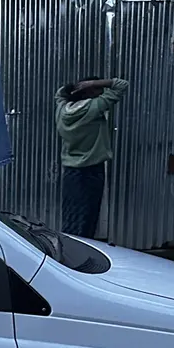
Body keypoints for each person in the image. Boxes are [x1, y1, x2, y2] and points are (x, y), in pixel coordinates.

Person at [54, 77, 129, 239]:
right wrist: (95, 83)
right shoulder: (93, 108)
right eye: (97, 89)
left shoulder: (61, 108)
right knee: (88, 218)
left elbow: (60, 93)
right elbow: (122, 85)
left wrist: (74, 87)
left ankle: (68, 249)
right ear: (88, 91)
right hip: (91, 169)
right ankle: (79, 254)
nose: (101, 92)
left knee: (72, 214)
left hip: (70, 171)